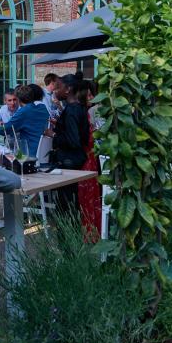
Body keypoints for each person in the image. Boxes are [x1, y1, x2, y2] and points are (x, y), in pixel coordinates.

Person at [44, 74, 89, 212]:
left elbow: (73, 140)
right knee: (71, 201)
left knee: (67, 203)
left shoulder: (71, 110)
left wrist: (54, 134)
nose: (55, 91)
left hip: (69, 160)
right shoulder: (78, 107)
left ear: (68, 89)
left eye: (58, 87)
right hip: (76, 158)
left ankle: (67, 232)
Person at [76, 80, 102, 240]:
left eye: (91, 95)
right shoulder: (88, 112)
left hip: (89, 159)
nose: (90, 98)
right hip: (96, 158)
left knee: (88, 195)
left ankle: (91, 230)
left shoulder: (91, 112)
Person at [1, 84, 49, 157]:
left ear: (18, 99)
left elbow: (7, 128)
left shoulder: (24, 111)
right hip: (44, 153)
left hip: (29, 154)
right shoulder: (42, 108)